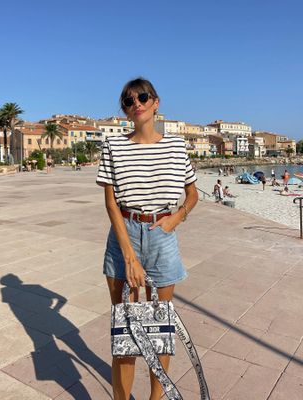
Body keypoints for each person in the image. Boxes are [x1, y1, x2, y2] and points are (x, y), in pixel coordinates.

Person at [96, 77, 198, 400]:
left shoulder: (176, 146)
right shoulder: (113, 147)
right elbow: (111, 202)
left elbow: (193, 195)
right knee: (124, 330)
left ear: (156, 102)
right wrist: (129, 256)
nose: (136, 103)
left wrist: (175, 220)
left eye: (142, 97)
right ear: (126, 112)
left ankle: (156, 398)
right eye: (128, 101)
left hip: (161, 236)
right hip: (124, 235)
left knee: (160, 330)